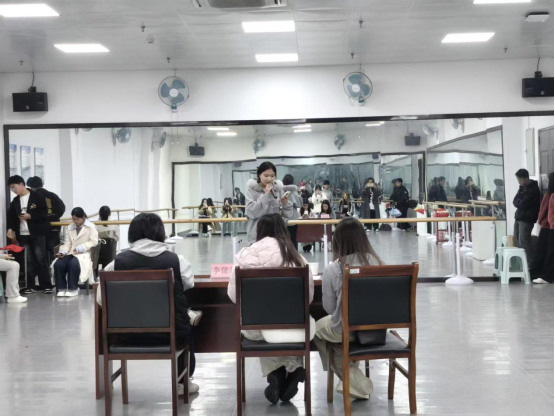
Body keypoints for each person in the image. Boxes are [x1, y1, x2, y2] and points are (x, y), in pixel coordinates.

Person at [98, 213, 198, 396]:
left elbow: (100, 299)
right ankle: (183, 382)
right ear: (160, 232)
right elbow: (189, 284)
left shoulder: (116, 264)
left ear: (132, 234)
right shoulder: (176, 261)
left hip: (125, 337)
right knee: (187, 325)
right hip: (170, 336)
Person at [227, 214, 315, 405]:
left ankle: (276, 373)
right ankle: (293, 369)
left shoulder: (244, 257)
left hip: (255, 328)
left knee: (264, 327)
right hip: (292, 327)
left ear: (259, 231)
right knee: (287, 327)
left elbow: (234, 297)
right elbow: (308, 298)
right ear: (283, 231)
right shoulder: (297, 258)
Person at [314, 218, 384, 400]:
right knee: (339, 338)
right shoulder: (379, 264)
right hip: (375, 329)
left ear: (338, 242)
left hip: (345, 328)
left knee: (316, 331)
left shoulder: (334, 269)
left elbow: (330, 308)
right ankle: (353, 379)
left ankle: (351, 376)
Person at [7, 175, 53, 295]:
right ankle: (30, 285)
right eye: (11, 188)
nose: (13, 190)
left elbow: (44, 214)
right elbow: (11, 217)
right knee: (28, 260)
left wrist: (31, 216)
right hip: (23, 234)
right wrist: (10, 229)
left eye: (14, 187)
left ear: (21, 184)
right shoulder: (15, 201)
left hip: (37, 233)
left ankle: (46, 285)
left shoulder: (37, 197)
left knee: (40, 258)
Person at [54, 208, 99, 297]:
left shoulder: (91, 227)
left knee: (73, 264)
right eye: (73, 219)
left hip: (84, 253)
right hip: (71, 252)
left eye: (77, 219)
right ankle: (61, 288)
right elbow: (67, 243)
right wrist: (62, 252)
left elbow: (94, 242)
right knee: (58, 264)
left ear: (83, 218)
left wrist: (81, 248)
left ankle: (73, 288)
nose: (75, 221)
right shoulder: (70, 227)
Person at [245, 162, 293, 244]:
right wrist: (266, 195)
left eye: (272, 176)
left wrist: (285, 203)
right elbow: (251, 211)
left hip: (276, 234)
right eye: (266, 176)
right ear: (259, 175)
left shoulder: (278, 189)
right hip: (257, 234)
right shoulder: (252, 188)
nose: (269, 179)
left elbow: (285, 214)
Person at [26, 176, 66, 260]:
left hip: (39, 230)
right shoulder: (52, 195)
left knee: (41, 255)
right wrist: (53, 217)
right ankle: (55, 268)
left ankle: (45, 269)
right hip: (54, 228)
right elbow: (62, 208)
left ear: (31, 187)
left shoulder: (32, 197)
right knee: (55, 253)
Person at [513, 169, 542, 263]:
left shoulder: (533, 189)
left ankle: (531, 264)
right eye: (518, 180)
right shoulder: (521, 188)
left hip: (527, 219)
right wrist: (519, 202)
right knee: (517, 241)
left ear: (526, 178)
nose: (519, 182)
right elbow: (515, 201)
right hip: (518, 217)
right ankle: (522, 264)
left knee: (524, 242)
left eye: (520, 180)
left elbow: (523, 203)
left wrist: (519, 202)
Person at [530, 172, 554, 284]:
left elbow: (544, 212)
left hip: (547, 226)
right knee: (547, 251)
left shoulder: (549, 195)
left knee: (545, 251)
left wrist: (540, 221)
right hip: (549, 226)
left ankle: (542, 274)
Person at [282, 174, 304, 250]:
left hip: (283, 218)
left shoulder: (281, 191)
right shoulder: (294, 191)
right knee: (293, 239)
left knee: (284, 240)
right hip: (293, 219)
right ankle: (293, 255)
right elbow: (299, 204)